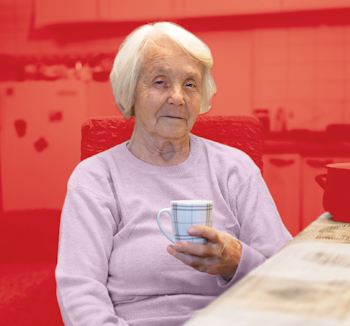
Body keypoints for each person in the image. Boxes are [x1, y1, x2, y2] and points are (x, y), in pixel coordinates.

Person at [56, 22, 292, 326]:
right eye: (160, 82)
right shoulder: (96, 178)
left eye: (190, 84)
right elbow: (79, 291)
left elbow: (291, 278)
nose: (178, 97)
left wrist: (238, 262)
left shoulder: (235, 168)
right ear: (131, 92)